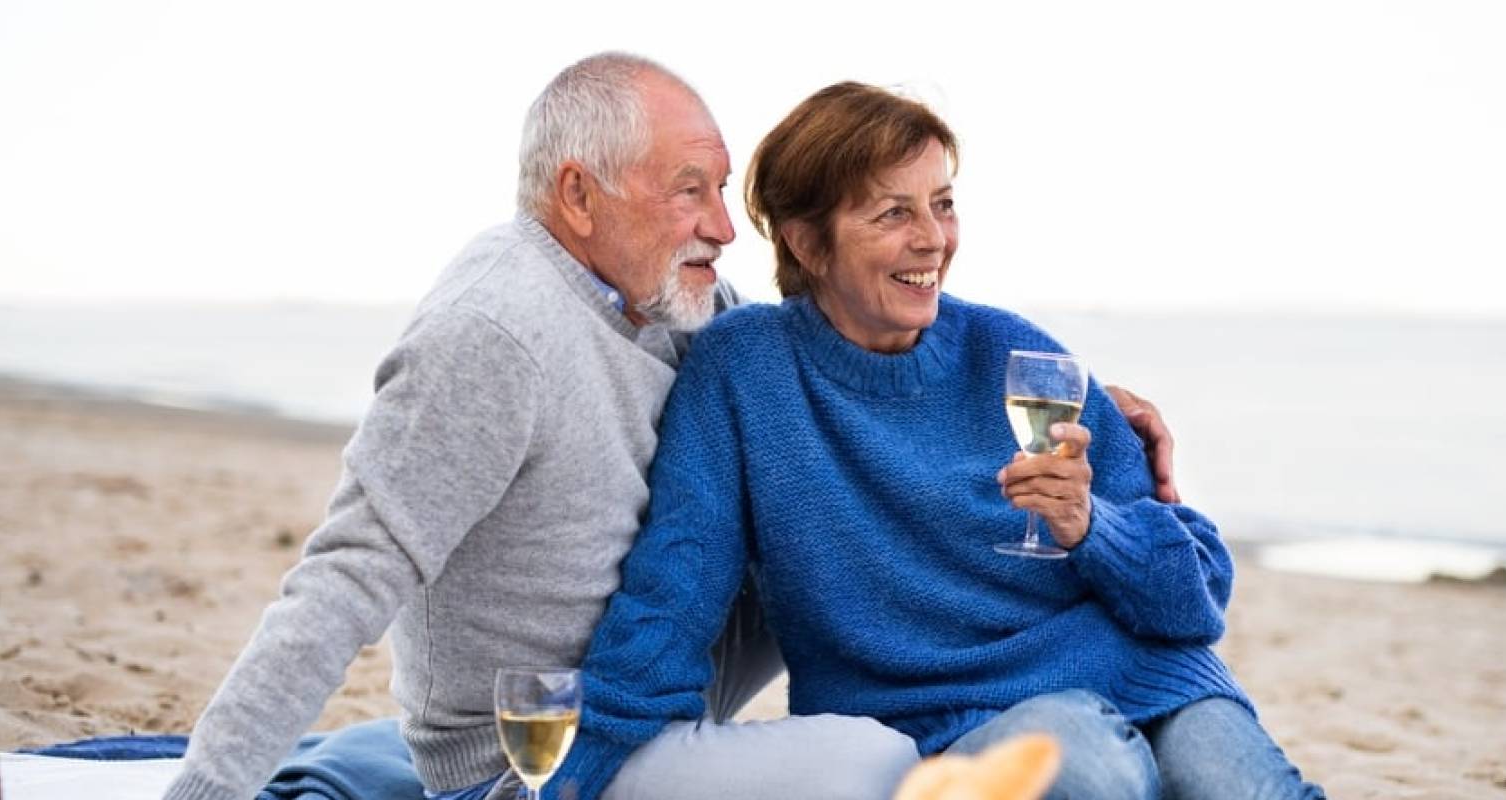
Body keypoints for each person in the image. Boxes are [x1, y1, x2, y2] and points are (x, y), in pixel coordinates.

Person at [163, 55, 1180, 800]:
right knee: (875, 757)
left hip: (658, 705)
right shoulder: (496, 333)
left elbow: (834, 367)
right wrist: (204, 793)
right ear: (578, 195)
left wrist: (1101, 413)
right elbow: (343, 576)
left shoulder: (670, 300)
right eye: (686, 190)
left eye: (720, 187)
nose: (723, 224)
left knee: (838, 496)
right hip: (546, 760)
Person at [549, 82, 1324, 800]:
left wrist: (1094, 527)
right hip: (941, 723)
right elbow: (672, 594)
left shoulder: (1020, 358)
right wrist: (571, 777)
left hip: (1155, 679)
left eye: (943, 205)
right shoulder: (745, 373)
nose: (933, 241)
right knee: (1088, 764)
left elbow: (1196, 603)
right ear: (808, 243)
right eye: (893, 214)